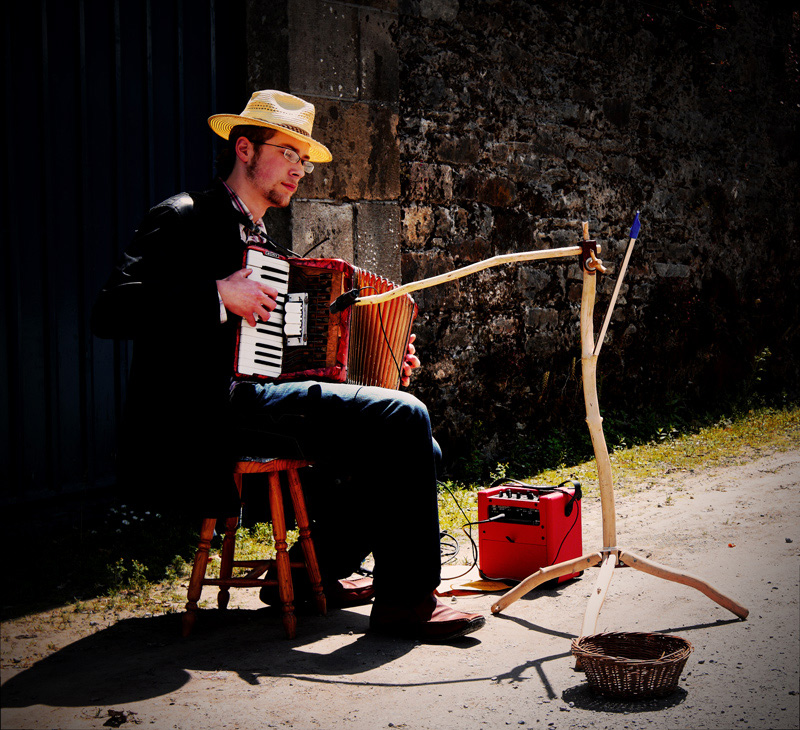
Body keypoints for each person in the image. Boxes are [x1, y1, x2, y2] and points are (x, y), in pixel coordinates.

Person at [92, 89, 485, 642]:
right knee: (404, 419)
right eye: (290, 153)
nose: (301, 169)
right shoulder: (184, 216)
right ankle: (407, 604)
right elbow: (111, 309)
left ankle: (306, 575)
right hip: (205, 409)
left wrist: (383, 355)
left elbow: (293, 352)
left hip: (255, 400)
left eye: (306, 159)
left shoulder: (264, 241)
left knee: (417, 443)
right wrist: (215, 294)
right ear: (246, 148)